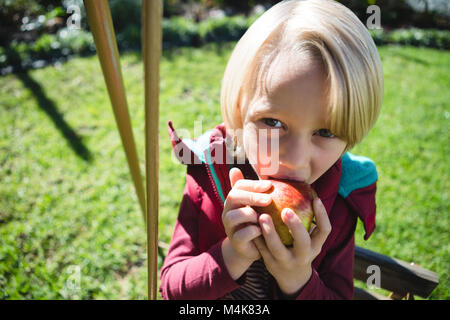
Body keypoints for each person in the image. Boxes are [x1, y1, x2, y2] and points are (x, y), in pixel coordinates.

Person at [160, 0, 383, 300]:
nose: (294, 158)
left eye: (326, 132)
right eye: (273, 122)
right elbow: (172, 288)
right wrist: (232, 255)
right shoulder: (209, 168)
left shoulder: (343, 198)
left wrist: (299, 280)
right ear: (239, 111)